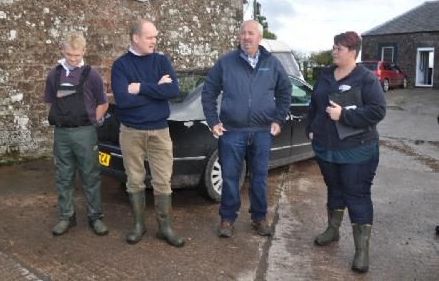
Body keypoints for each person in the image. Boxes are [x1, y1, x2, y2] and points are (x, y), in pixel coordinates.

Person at [201, 20, 292, 238]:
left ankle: (259, 218)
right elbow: (208, 92)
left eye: (250, 33)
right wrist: (213, 121)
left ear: (260, 38)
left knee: (259, 177)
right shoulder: (226, 62)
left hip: (262, 132)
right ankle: (227, 219)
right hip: (232, 131)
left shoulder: (272, 63)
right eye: (243, 33)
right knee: (230, 177)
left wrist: (278, 119)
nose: (246, 37)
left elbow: (285, 91)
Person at [306, 31, 386, 273]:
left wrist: (345, 115)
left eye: (339, 48)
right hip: (326, 149)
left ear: (353, 52)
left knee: (357, 194)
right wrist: (312, 128)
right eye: (334, 46)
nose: (334, 51)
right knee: (334, 188)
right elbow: (314, 104)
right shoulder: (325, 75)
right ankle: (332, 230)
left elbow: (377, 111)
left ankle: (362, 250)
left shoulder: (366, 79)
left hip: (357, 150)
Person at [111, 18, 185, 247]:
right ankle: (139, 225)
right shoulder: (121, 65)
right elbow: (123, 100)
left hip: (160, 131)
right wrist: (156, 88)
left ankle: (165, 228)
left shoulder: (161, 60)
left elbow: (173, 90)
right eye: (149, 37)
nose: (154, 41)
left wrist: (141, 87)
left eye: (155, 36)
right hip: (131, 131)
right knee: (134, 180)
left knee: (163, 181)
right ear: (136, 38)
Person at [44, 31, 109, 236]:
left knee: (90, 176)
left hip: (85, 132)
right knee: (63, 176)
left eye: (77, 55)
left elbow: (103, 103)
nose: (73, 59)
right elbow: (51, 101)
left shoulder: (92, 75)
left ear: (84, 51)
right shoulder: (54, 74)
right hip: (62, 134)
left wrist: (92, 122)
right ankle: (66, 217)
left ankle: (95, 217)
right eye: (69, 54)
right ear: (63, 51)